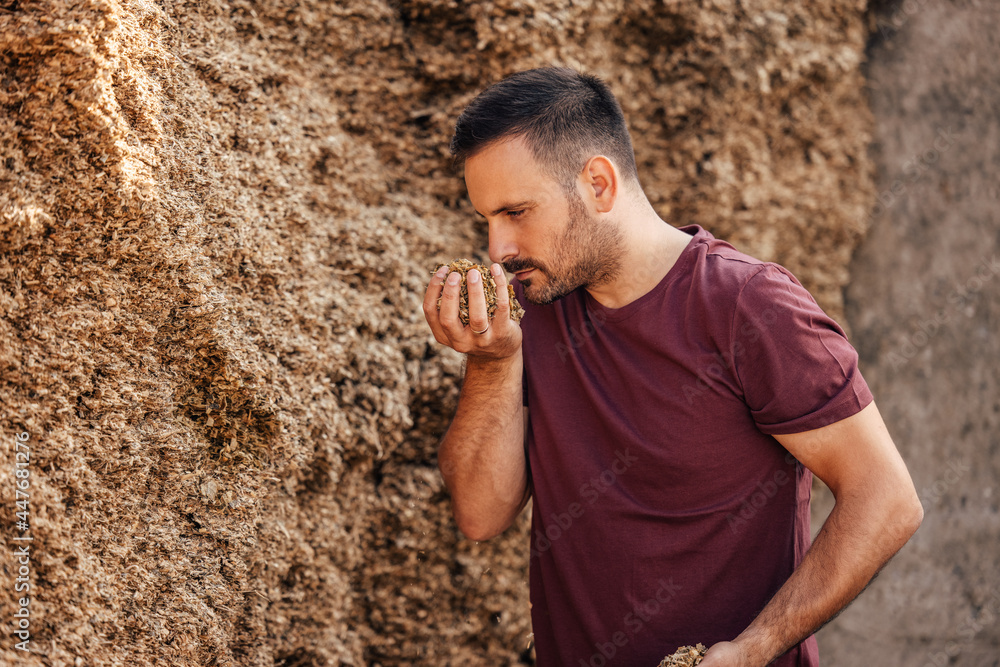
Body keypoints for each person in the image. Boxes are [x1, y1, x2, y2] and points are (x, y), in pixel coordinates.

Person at [421, 67, 923, 667]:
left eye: (516, 212)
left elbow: (887, 497)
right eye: (487, 220)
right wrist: (491, 361)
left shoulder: (748, 306)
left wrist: (752, 649)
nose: (498, 250)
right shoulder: (530, 307)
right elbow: (480, 515)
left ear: (599, 185)